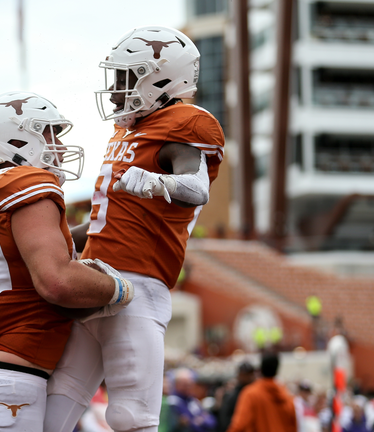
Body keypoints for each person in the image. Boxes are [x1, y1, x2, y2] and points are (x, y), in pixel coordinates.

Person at [45, 25, 225, 432]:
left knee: (132, 417)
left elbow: (196, 188)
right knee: (56, 406)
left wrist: (157, 182)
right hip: (93, 282)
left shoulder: (185, 124)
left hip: (138, 285)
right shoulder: (126, 131)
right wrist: (49, 242)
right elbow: (101, 219)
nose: (116, 90)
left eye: (127, 78)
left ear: (163, 78)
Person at [0, 91, 135, 432]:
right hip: (7, 387)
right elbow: (57, 281)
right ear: (16, 137)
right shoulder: (25, 181)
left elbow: (44, 244)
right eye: (49, 133)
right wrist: (119, 288)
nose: (59, 146)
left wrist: (113, 223)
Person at [227, 351, 297, 432]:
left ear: (261, 369)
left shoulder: (251, 394)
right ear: (277, 370)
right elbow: (293, 426)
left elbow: (239, 425)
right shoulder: (287, 396)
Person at [167, 368, 217, 432]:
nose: (189, 387)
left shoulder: (192, 400)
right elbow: (189, 427)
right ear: (177, 384)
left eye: (190, 384)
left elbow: (212, 422)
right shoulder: (173, 402)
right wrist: (199, 420)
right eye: (185, 385)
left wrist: (200, 421)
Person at [216, 362, 255, 432]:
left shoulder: (256, 392)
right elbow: (225, 420)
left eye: (249, 374)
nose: (247, 377)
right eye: (244, 374)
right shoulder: (232, 396)